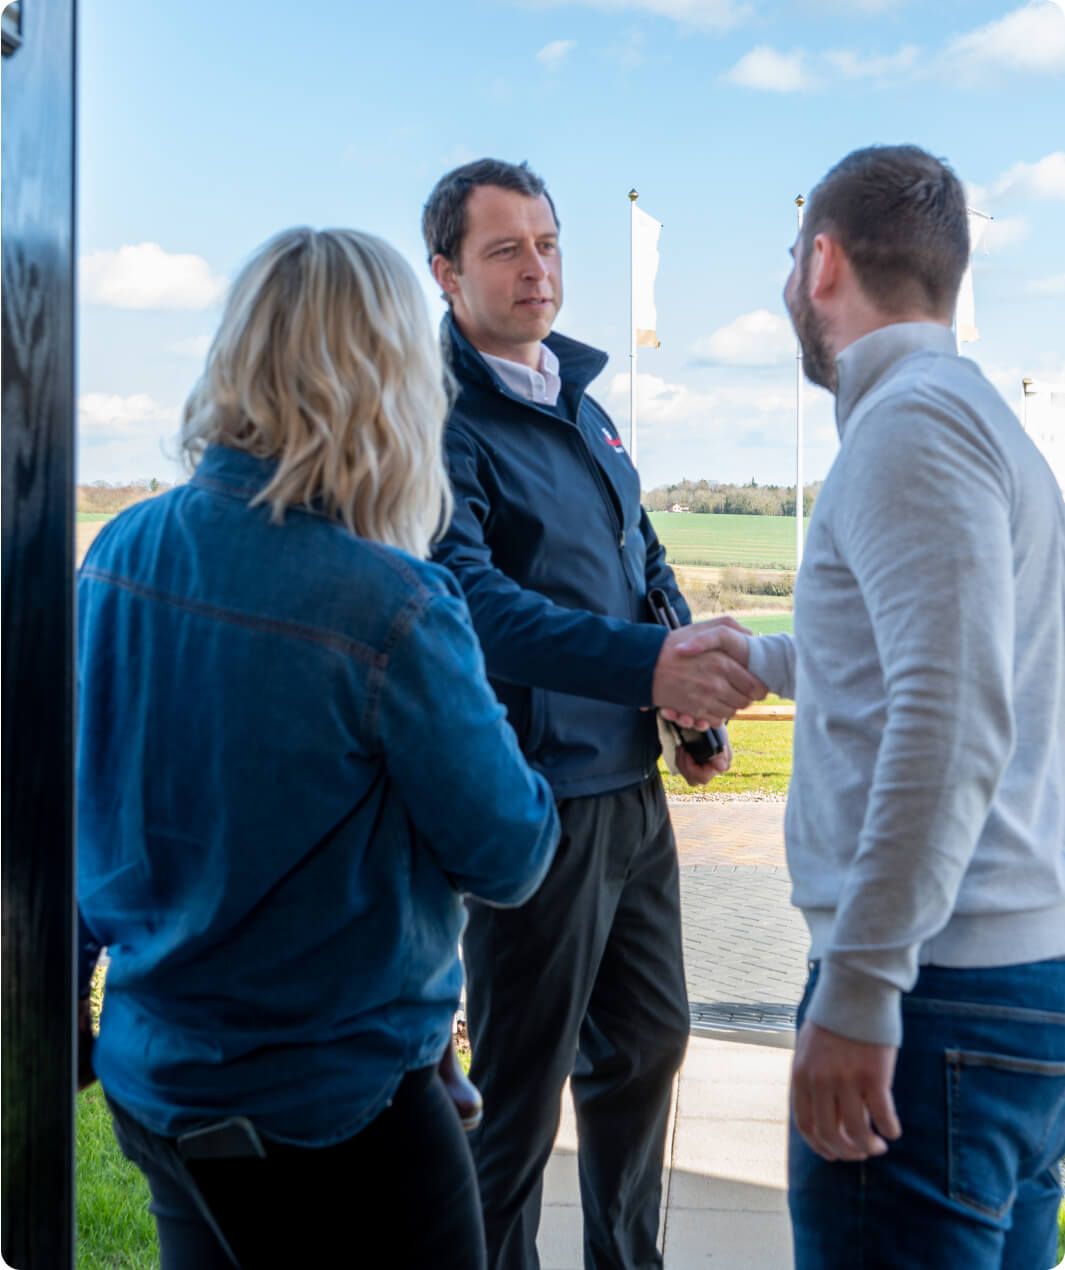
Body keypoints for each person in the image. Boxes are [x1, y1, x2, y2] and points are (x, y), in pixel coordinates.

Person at [75, 226, 562, 1270]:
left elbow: (67, 804)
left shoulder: (119, 552)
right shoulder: (393, 603)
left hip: (164, 1090)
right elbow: (511, 853)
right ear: (386, 383)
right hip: (339, 1114)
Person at [697, 144, 1065, 1268]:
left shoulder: (910, 427)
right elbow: (925, 653)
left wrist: (861, 988)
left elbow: (949, 714)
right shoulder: (972, 420)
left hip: (936, 993)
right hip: (995, 991)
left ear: (822, 263)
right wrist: (764, 654)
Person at [421, 158, 766, 1270]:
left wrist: (684, 703)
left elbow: (643, 564)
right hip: (529, 802)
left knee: (651, 1044)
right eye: (505, 249)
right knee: (517, 1097)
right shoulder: (443, 423)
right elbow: (477, 607)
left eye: (550, 244)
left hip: (629, 791)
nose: (539, 269)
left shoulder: (588, 408)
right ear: (445, 273)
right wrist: (650, 663)